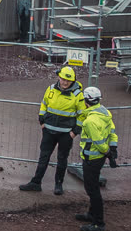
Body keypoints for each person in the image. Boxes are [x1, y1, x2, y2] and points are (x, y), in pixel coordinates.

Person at [19, 66, 87, 195]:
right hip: (48, 131)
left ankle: (58, 184)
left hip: (66, 134)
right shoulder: (51, 89)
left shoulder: (77, 95)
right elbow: (44, 103)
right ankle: (36, 183)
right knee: (43, 157)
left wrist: (74, 132)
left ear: (72, 81)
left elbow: (82, 115)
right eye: (63, 79)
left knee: (62, 159)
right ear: (59, 77)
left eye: (68, 80)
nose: (65, 82)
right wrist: (42, 120)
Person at [74, 86, 119, 231]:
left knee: (92, 190)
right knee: (93, 188)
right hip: (98, 158)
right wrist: (113, 149)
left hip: (92, 157)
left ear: (86, 101)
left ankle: (98, 223)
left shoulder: (90, 121)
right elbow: (112, 132)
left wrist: (107, 152)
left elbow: (98, 142)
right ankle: (92, 214)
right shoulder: (105, 112)